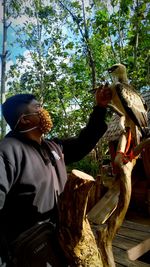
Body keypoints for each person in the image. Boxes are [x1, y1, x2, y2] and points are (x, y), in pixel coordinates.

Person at [0, 86, 112, 266]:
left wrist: (100, 108)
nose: (44, 111)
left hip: (59, 239)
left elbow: (83, 143)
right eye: (37, 108)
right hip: (27, 248)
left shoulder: (53, 146)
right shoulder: (7, 151)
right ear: (25, 120)